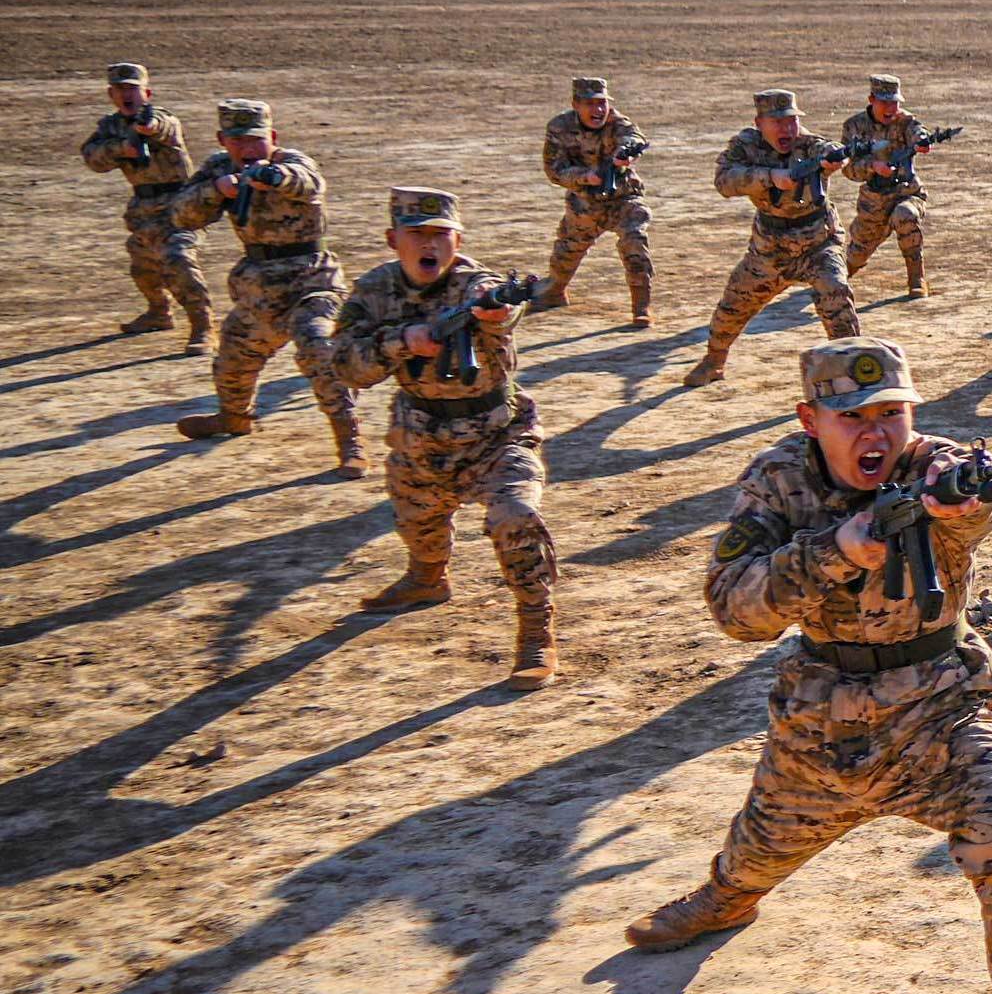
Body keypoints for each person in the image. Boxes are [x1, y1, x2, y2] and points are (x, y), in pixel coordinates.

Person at [623, 338, 992, 994]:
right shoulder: (778, 480)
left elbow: (967, 514)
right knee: (764, 843)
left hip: (940, 710)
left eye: (893, 415)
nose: (877, 434)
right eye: (853, 418)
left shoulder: (937, 468)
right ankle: (728, 899)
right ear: (811, 420)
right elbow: (734, 611)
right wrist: (834, 553)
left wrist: (963, 508)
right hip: (821, 719)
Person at [328, 187, 559, 689]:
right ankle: (427, 579)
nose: (429, 245)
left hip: (498, 435)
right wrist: (402, 341)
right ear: (394, 240)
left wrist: (499, 313)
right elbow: (344, 365)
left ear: (458, 240)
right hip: (421, 437)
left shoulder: (478, 285)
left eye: (441, 235)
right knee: (418, 523)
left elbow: (502, 307)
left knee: (515, 518)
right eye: (417, 235)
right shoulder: (374, 291)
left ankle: (536, 633)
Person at [171, 98, 364, 474]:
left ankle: (350, 442)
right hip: (259, 286)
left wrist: (273, 177)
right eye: (238, 140)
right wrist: (217, 191)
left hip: (312, 282)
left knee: (319, 348)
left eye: (256, 140)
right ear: (222, 140)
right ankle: (233, 418)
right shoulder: (218, 169)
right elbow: (181, 214)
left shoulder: (291, 161)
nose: (247, 148)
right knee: (233, 358)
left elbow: (309, 183)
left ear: (272, 137)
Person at [688, 89, 860, 389]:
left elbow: (829, 148)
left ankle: (854, 369)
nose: (787, 129)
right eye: (778, 122)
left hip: (818, 243)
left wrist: (835, 160)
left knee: (836, 295)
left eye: (792, 121)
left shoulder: (809, 144)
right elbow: (724, 181)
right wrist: (769, 176)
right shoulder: (745, 146)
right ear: (759, 123)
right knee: (734, 304)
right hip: (770, 249)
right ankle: (714, 361)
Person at [80, 62, 209, 349]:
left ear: (146, 93)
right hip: (143, 207)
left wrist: (146, 129)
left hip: (179, 205)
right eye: (120, 89)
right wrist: (120, 148)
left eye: (133, 89)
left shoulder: (162, 119)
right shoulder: (110, 126)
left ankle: (203, 326)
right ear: (110, 94)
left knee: (178, 259)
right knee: (143, 264)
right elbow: (92, 158)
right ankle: (158, 312)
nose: (127, 95)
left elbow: (163, 127)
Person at [539, 75, 653, 325]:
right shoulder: (559, 127)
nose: (598, 110)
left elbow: (634, 137)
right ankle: (555, 291)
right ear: (575, 104)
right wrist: (585, 177)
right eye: (590, 104)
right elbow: (553, 170)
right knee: (567, 251)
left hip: (624, 198)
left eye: (602, 103)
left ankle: (641, 308)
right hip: (585, 201)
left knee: (634, 241)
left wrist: (626, 156)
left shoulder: (617, 122)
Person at [837, 73, 940, 298]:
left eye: (894, 102)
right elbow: (847, 169)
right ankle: (838, 278)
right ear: (871, 99)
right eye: (885, 102)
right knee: (858, 253)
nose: (890, 108)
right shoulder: (854, 127)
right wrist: (873, 166)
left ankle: (916, 279)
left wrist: (923, 143)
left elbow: (918, 133)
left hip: (907, 192)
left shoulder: (905, 121)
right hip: (874, 199)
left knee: (905, 216)